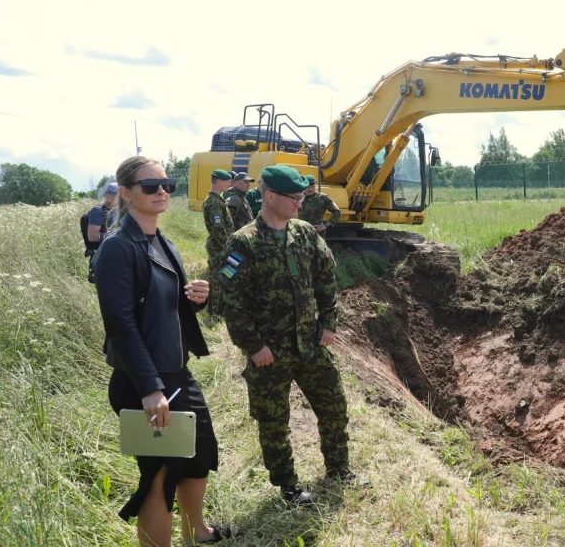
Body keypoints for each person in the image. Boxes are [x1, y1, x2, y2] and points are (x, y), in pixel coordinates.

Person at [92, 156, 235, 546]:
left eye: (166, 184)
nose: (161, 192)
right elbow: (121, 325)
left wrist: (195, 301)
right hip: (145, 381)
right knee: (159, 476)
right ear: (125, 193)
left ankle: (198, 533)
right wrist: (150, 387)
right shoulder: (118, 249)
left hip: (175, 372)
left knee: (199, 454)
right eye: (150, 186)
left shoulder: (161, 241)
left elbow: (160, 308)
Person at [220, 165, 365, 506]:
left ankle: (339, 469)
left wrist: (329, 322)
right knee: (273, 421)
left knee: (334, 406)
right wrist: (254, 347)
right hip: (271, 351)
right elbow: (232, 302)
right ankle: (288, 486)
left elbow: (327, 277)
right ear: (270, 196)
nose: (301, 203)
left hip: (310, 342)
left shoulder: (304, 233)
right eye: (295, 197)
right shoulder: (244, 242)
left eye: (302, 197)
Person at [203, 170, 234, 319]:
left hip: (219, 246)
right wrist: (228, 247)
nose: (230, 184)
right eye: (228, 181)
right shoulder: (214, 202)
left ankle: (214, 310)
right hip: (219, 247)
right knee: (217, 279)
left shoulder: (216, 199)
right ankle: (215, 313)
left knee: (218, 278)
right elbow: (218, 229)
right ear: (220, 182)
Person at [298, 173, 341, 238]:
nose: (310, 189)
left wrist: (326, 225)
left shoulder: (322, 198)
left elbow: (337, 212)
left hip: (317, 233)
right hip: (302, 233)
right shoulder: (298, 197)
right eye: (308, 187)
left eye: (312, 187)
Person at [85, 182, 118, 252]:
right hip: (102, 253)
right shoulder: (98, 211)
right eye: (116, 195)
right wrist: (117, 235)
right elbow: (92, 236)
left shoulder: (117, 209)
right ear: (108, 195)